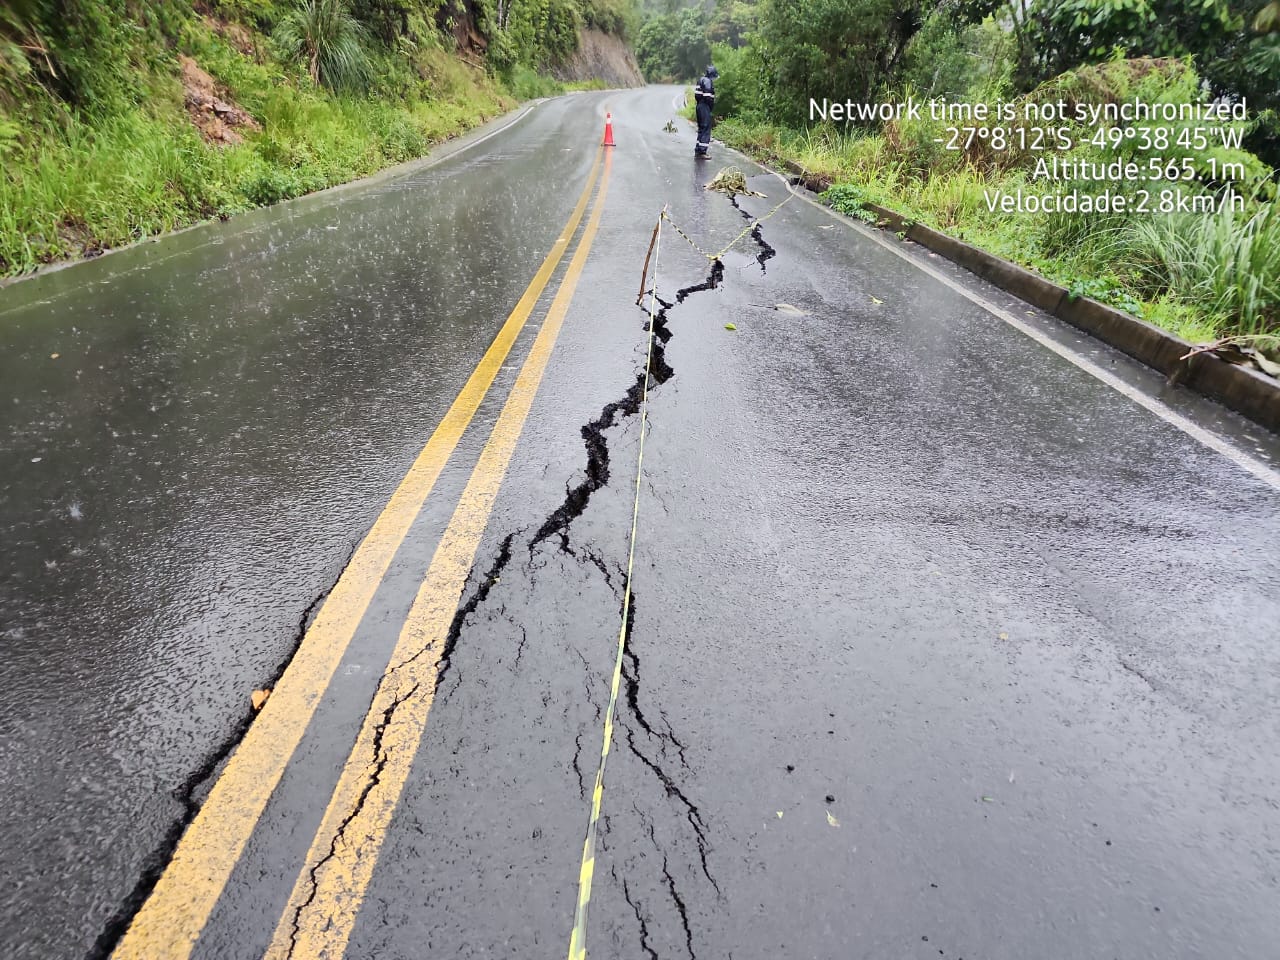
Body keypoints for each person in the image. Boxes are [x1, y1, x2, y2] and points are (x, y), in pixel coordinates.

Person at [694, 64, 718, 158]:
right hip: (704, 106)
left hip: (699, 106)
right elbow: (708, 97)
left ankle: (698, 149)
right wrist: (710, 106)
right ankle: (702, 152)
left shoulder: (701, 80)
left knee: (701, 128)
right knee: (706, 128)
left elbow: (697, 95)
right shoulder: (707, 81)